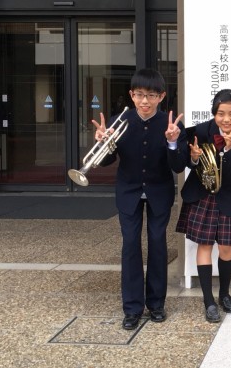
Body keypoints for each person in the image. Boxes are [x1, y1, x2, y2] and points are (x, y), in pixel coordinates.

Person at [92, 68, 187, 330]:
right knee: (130, 246)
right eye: (140, 95)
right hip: (129, 192)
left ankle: (156, 304)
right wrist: (104, 143)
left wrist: (172, 143)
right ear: (132, 95)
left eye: (152, 95)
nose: (145, 101)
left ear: (162, 96)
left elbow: (179, 166)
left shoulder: (172, 126)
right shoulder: (118, 121)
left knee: (157, 244)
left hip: (159, 192)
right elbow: (106, 161)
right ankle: (132, 308)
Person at [173, 89, 231, 323]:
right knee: (204, 246)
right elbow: (182, 160)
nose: (226, 119)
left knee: (226, 249)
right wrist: (194, 158)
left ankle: (224, 294)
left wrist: (229, 149)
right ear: (214, 114)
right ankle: (208, 301)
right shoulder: (201, 131)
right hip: (202, 196)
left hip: (227, 195)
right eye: (221, 113)